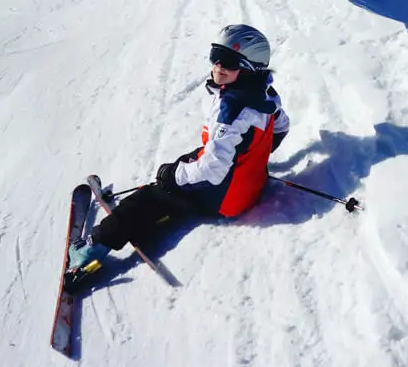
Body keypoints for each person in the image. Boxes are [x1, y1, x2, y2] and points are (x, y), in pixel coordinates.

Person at [68, 24, 290, 272]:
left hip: (227, 200)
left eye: (227, 61)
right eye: (215, 56)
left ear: (250, 69)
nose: (218, 66)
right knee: (187, 161)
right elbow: (281, 126)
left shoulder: (231, 112)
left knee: (152, 195)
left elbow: (212, 171)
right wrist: (253, 159)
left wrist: (172, 176)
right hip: (253, 184)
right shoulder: (266, 93)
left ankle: (90, 248)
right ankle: (173, 198)